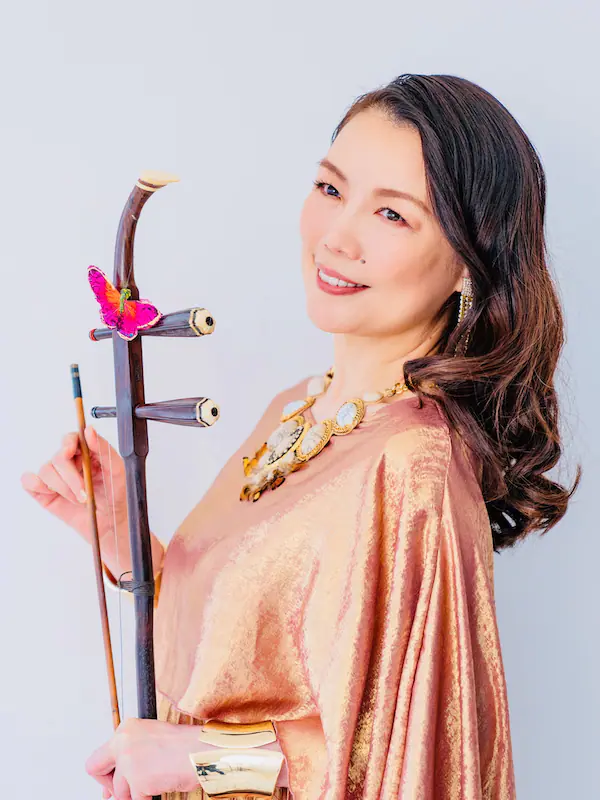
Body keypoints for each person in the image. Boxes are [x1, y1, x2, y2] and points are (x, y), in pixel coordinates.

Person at [21, 73, 581, 800]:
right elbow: (231, 659)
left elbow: (411, 753)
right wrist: (120, 533)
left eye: (392, 214)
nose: (337, 237)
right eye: (330, 188)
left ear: (468, 265)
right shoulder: (298, 406)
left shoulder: (414, 462)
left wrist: (202, 757)